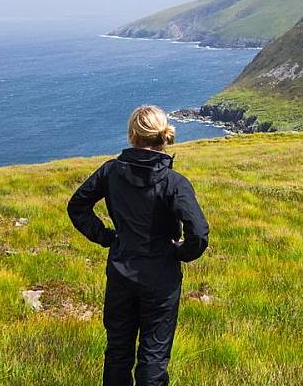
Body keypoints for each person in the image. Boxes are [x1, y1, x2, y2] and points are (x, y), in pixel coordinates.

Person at [68, 105, 209, 386]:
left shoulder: (110, 172)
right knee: (153, 356)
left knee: (118, 352)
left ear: (133, 134)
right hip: (161, 277)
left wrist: (107, 237)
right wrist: (178, 252)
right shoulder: (174, 182)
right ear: (163, 137)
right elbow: (199, 233)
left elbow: (78, 206)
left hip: (121, 272)